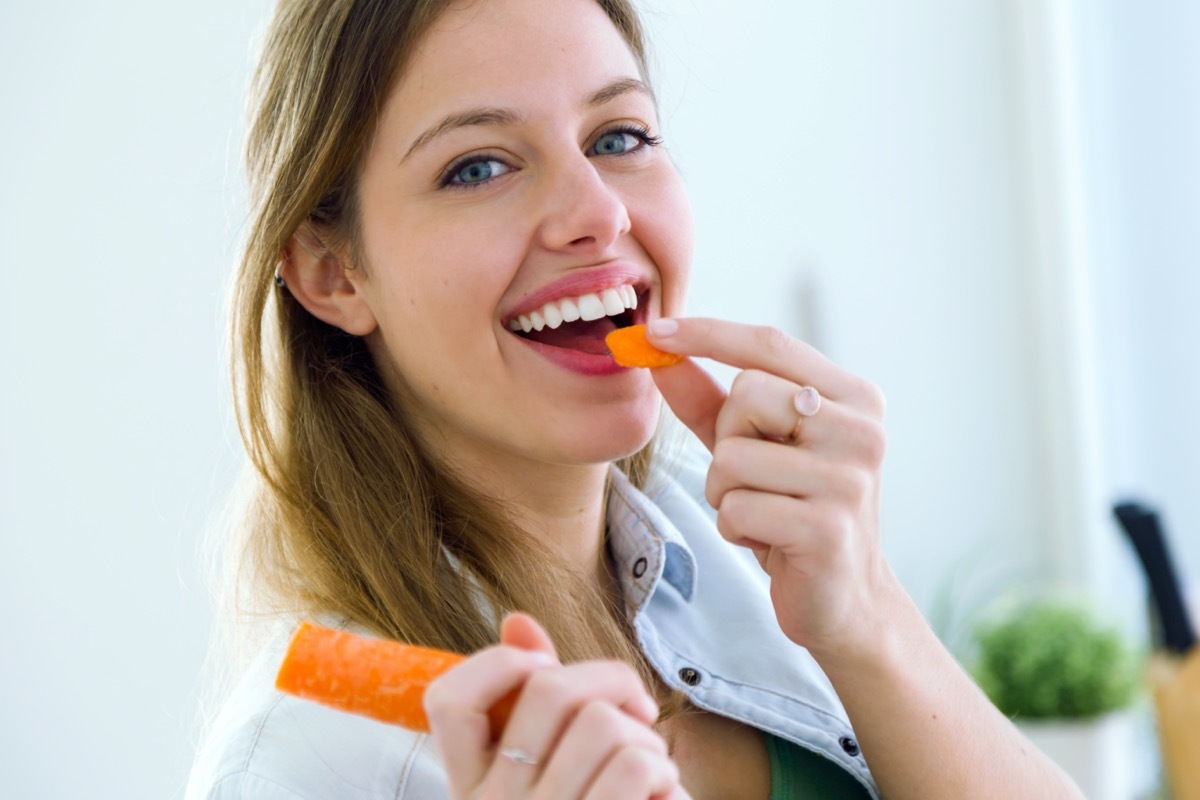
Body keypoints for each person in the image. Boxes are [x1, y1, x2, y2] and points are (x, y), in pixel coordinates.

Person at [187, 0, 1085, 797]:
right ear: (331, 273)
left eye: (618, 138)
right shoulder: (292, 769)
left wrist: (868, 616)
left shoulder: (740, 548)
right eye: (478, 167)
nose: (599, 212)